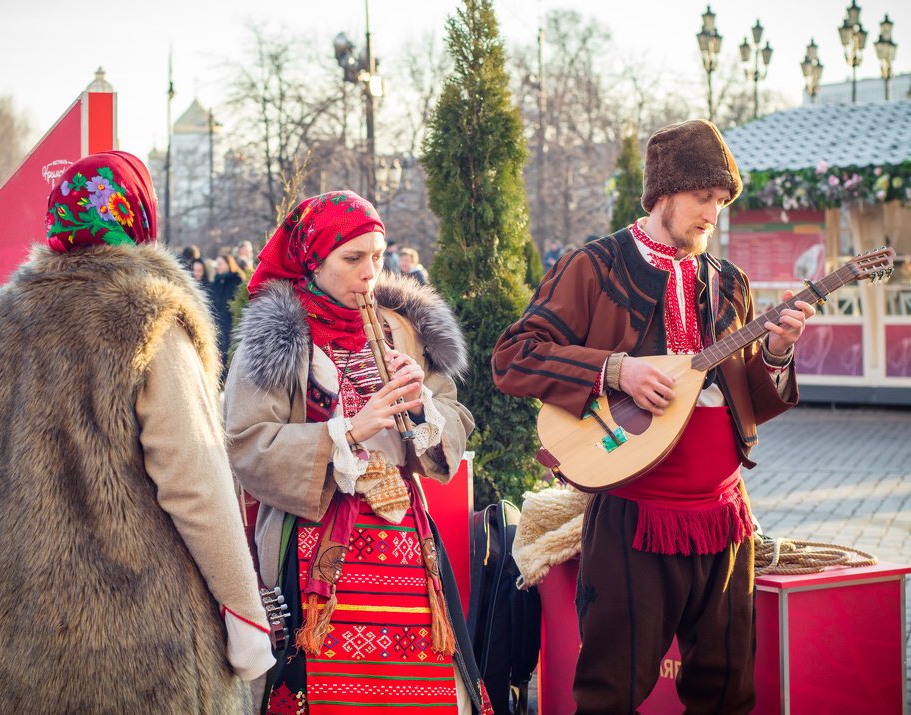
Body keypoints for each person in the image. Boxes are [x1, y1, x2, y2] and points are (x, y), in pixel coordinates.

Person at [491, 119, 816, 714]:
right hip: (635, 519)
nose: (712, 215)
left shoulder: (728, 282)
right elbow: (515, 357)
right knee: (610, 692)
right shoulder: (595, 268)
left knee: (727, 692)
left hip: (725, 518)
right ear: (663, 192)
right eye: (703, 198)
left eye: (721, 201)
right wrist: (618, 371)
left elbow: (747, 398)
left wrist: (775, 351)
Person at [0, 151, 275, 713]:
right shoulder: (145, 316)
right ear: (138, 216)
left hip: (13, 637)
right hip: (136, 641)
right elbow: (195, 480)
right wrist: (245, 614)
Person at [224, 190, 493, 714]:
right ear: (313, 261)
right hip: (316, 546)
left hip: (407, 541)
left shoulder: (402, 329)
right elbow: (247, 444)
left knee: (420, 690)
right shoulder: (276, 336)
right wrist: (344, 433)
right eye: (353, 259)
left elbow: (454, 416)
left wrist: (419, 409)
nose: (370, 272)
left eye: (377, 255)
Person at [209, 253, 244, 377]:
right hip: (218, 324)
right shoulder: (216, 282)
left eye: (220, 263)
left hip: (232, 323)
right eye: (217, 264)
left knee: (231, 354)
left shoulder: (237, 280)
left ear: (228, 264)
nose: (217, 266)